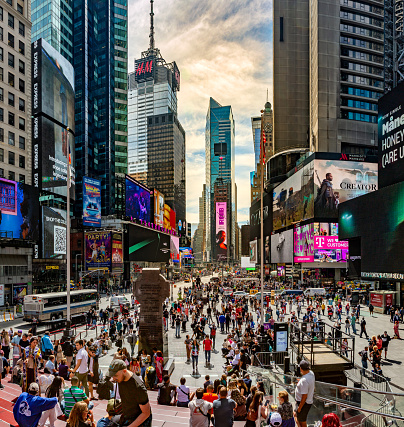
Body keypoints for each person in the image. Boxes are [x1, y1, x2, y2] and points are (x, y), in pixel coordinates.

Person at [108, 359, 152, 426]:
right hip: (127, 416)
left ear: (124, 371)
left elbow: (146, 413)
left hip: (139, 421)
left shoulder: (138, 387)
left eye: (115, 375)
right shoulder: (120, 379)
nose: (113, 378)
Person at [294, 360, 315, 427]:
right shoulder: (311, 373)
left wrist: (300, 408)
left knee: (302, 422)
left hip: (303, 404)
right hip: (306, 402)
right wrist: (300, 382)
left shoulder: (304, 380)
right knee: (296, 416)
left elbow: (304, 396)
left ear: (301, 368)